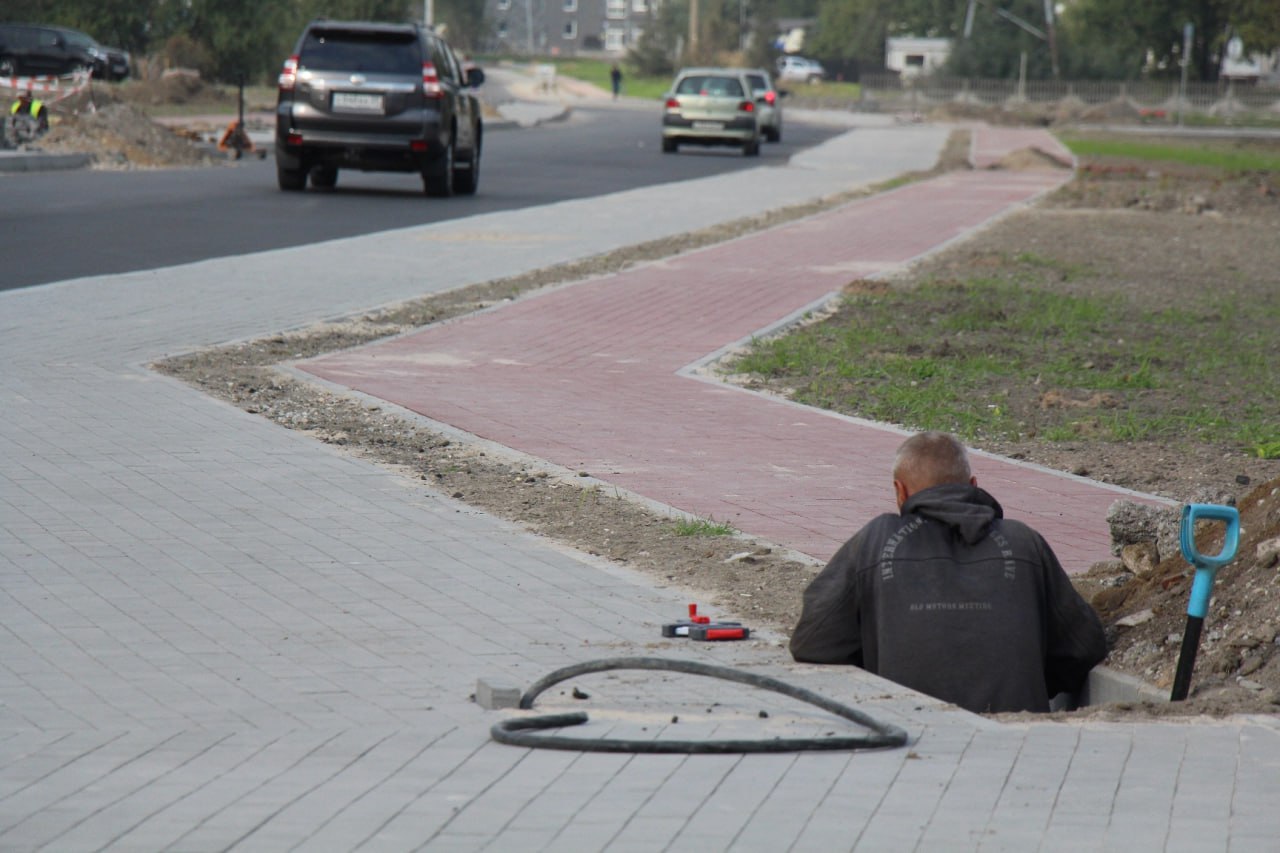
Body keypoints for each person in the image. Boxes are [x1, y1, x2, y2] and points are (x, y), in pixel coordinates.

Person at [789, 431, 1106, 714]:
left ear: (900, 491)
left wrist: (884, 661)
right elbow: (1083, 646)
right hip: (1015, 736)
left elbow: (813, 642)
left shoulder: (875, 540)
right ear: (972, 485)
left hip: (907, 727)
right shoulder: (1023, 542)